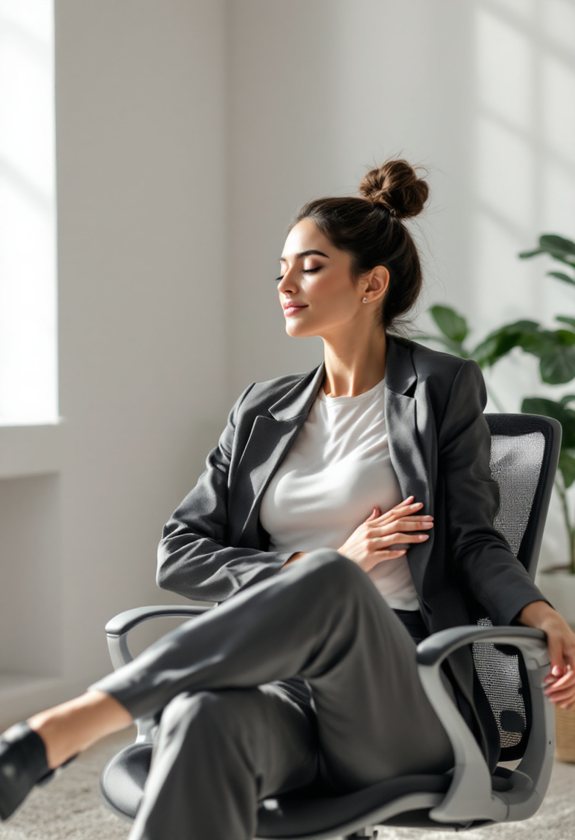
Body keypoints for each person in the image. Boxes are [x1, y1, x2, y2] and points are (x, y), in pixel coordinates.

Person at [1, 159, 574, 840]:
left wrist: (536, 607)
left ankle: (69, 725)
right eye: (280, 268)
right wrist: (322, 560)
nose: (284, 283)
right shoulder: (260, 409)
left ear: (371, 284)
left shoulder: (439, 388)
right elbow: (178, 552)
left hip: (401, 694)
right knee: (201, 718)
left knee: (330, 574)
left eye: (308, 265)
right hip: (283, 690)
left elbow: (474, 538)